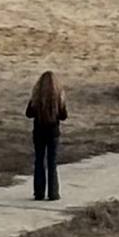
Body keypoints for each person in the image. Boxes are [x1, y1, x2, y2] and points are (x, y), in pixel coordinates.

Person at [26, 69, 67, 202]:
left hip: (38, 131)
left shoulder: (37, 96)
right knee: (52, 162)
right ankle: (53, 193)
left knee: (39, 161)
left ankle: (39, 192)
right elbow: (63, 115)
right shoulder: (58, 96)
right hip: (53, 132)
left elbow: (29, 113)